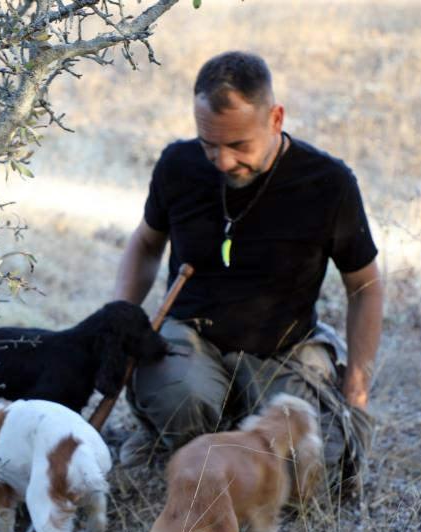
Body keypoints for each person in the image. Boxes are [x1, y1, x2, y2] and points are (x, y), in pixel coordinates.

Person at [113, 51, 383, 491]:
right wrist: (119, 319)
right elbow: (145, 243)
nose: (221, 161)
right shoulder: (178, 166)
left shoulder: (327, 184)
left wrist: (356, 390)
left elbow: (366, 286)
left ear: (275, 118)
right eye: (208, 144)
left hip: (283, 347)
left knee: (308, 476)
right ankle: (185, 437)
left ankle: (241, 428)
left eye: (238, 146)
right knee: (184, 403)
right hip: (192, 336)